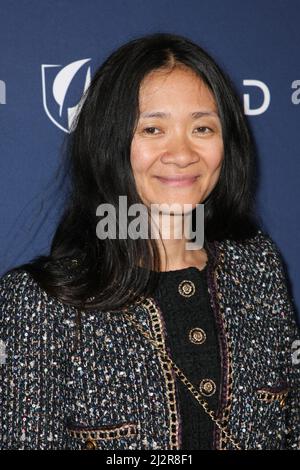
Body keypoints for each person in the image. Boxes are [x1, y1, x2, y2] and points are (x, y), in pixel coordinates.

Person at [0, 32, 299, 450]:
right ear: (110, 142)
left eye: (202, 127)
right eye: (153, 128)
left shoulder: (257, 267)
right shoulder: (40, 303)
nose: (182, 153)